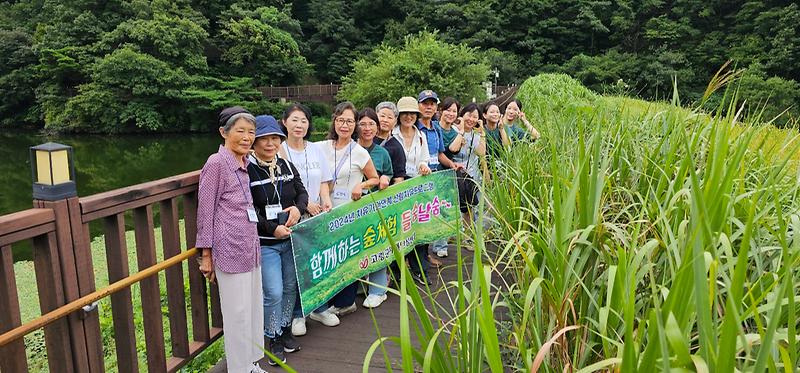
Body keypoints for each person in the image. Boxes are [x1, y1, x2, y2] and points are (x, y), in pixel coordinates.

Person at [197, 106, 267, 373]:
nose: (247, 137)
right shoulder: (216, 163)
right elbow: (205, 211)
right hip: (229, 250)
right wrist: (206, 255)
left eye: (251, 132)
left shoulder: (245, 162)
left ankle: (250, 363)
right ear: (223, 132)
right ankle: (238, 369)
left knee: (251, 309)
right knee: (237, 314)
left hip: (250, 246)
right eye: (240, 131)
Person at [247, 115, 308, 365]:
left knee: (291, 287)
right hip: (266, 242)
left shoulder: (286, 165)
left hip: (290, 238)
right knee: (273, 291)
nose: (271, 143)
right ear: (255, 141)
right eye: (265, 138)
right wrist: (272, 229)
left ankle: (283, 331)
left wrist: (297, 209)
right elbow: (248, 208)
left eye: (275, 138)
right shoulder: (247, 169)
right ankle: (271, 337)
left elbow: (302, 192)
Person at [277, 104, 341, 335]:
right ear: (284, 122)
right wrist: (305, 205)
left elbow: (324, 182)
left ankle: (320, 307)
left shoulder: (315, 149)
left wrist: (326, 202)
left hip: (317, 216)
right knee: (296, 269)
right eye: (294, 120)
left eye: (303, 120)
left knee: (319, 263)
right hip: (293, 218)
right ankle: (297, 315)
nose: (299, 125)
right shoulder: (278, 150)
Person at [318, 101, 380, 315]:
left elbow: (374, 178)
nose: (344, 125)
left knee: (346, 256)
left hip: (348, 213)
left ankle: (346, 303)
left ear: (355, 125)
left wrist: (360, 185)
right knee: (328, 257)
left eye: (350, 121)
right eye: (341, 120)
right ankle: (324, 303)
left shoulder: (360, 152)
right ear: (334, 121)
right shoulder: (320, 147)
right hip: (324, 211)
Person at [356, 108, 394, 308]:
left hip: (375, 207)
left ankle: (378, 290)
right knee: (357, 246)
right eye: (362, 124)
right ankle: (363, 284)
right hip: (352, 208)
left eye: (371, 124)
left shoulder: (382, 152)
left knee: (377, 243)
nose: (367, 128)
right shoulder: (350, 149)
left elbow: (388, 172)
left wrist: (385, 178)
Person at [392, 96, 432, 285]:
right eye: (405, 114)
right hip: (396, 186)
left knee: (418, 228)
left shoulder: (421, 136)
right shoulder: (392, 135)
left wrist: (424, 166)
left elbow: (424, 159)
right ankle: (396, 272)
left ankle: (420, 270)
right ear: (399, 116)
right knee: (397, 229)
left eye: (412, 114)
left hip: (415, 187)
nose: (409, 117)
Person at [418, 90, 458, 266]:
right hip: (418, 178)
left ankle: (426, 255)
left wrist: (452, 164)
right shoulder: (414, 128)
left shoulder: (436, 129)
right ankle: (417, 258)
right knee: (418, 217)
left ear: (436, 107)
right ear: (418, 105)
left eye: (432, 104)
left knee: (432, 215)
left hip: (435, 177)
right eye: (425, 103)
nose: (429, 107)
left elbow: (440, 153)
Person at [431, 97, 464, 258]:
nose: (451, 113)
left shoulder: (455, 132)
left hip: (447, 173)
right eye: (448, 110)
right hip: (431, 172)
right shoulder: (433, 127)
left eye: (454, 111)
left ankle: (441, 244)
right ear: (441, 111)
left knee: (443, 208)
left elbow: (454, 149)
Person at [452, 103, 487, 232]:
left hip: (472, 175)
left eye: (475, 117)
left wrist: (482, 132)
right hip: (453, 174)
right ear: (462, 115)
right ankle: (451, 236)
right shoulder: (453, 131)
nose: (471, 119)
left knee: (469, 208)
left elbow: (482, 153)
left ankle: (467, 237)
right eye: (469, 115)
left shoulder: (476, 135)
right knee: (453, 207)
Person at [375, 101, 407, 184]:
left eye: (390, 117)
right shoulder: (365, 138)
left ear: (395, 122)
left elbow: (399, 178)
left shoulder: (396, 147)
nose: (385, 120)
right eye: (382, 116)